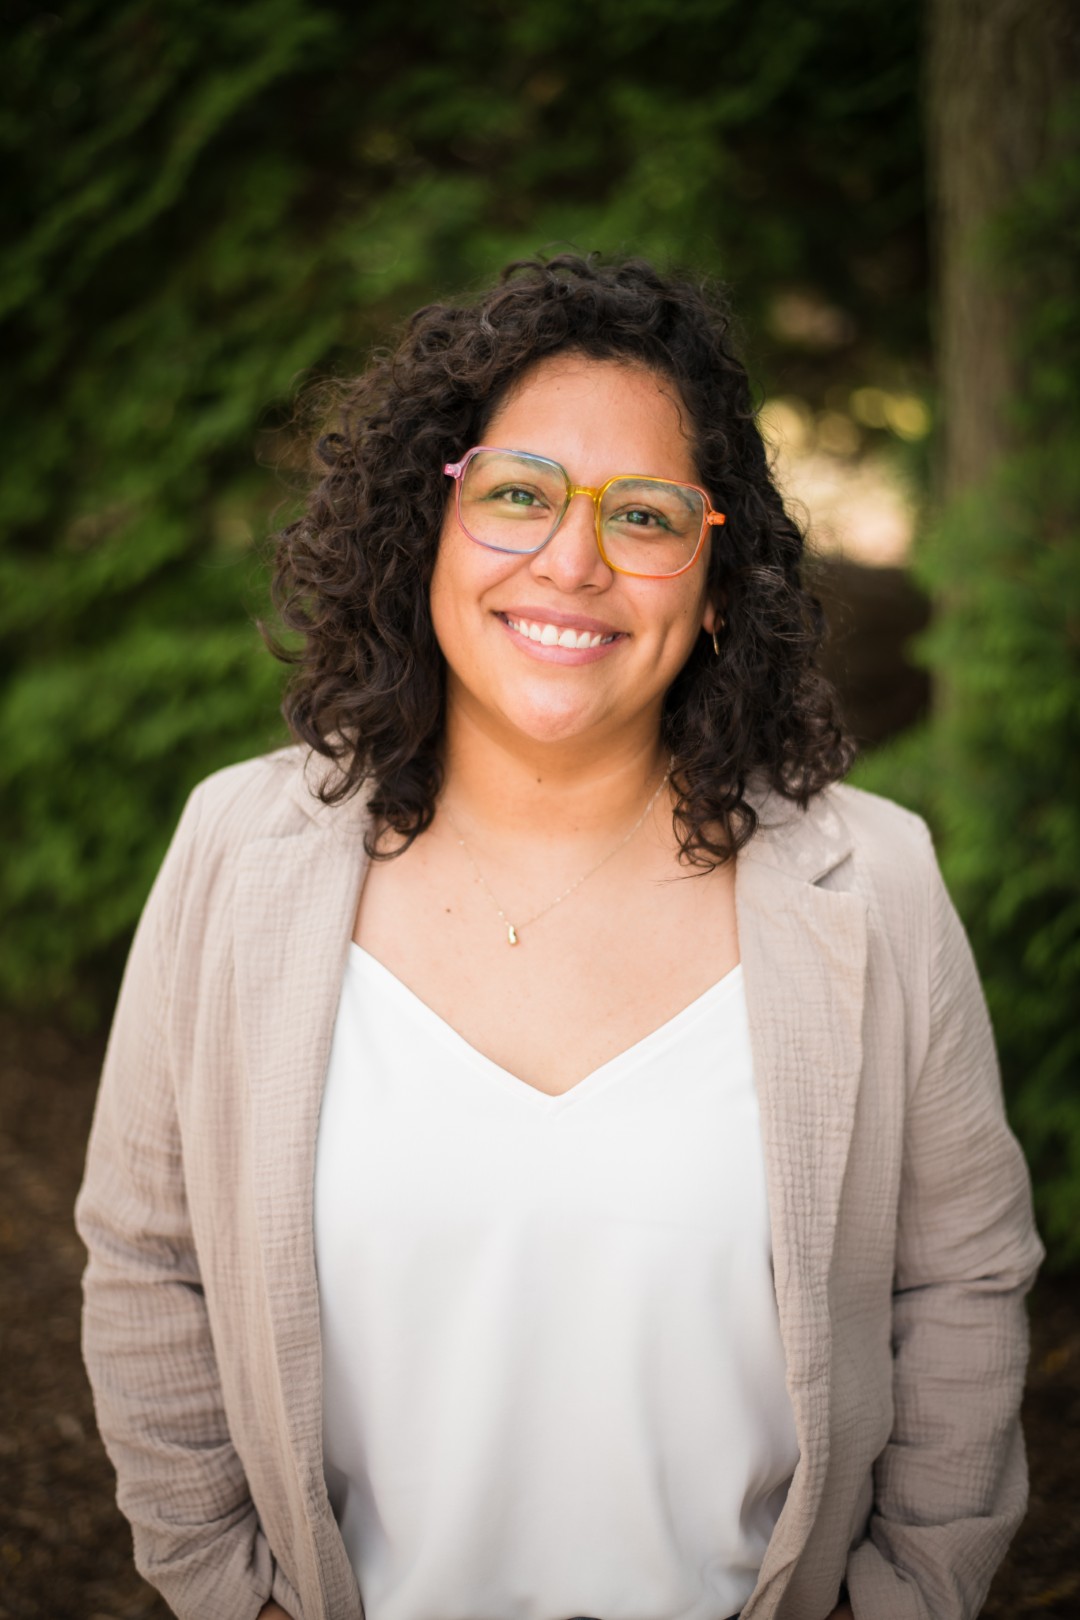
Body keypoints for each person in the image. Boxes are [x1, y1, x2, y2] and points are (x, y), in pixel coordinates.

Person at [76, 254, 1043, 1620]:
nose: (572, 562)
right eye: (519, 494)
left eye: (644, 514)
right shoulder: (240, 855)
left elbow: (960, 1277)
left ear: (717, 583)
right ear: (431, 529)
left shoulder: (870, 883)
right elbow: (147, 1264)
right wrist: (238, 1598)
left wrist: (905, 1596)